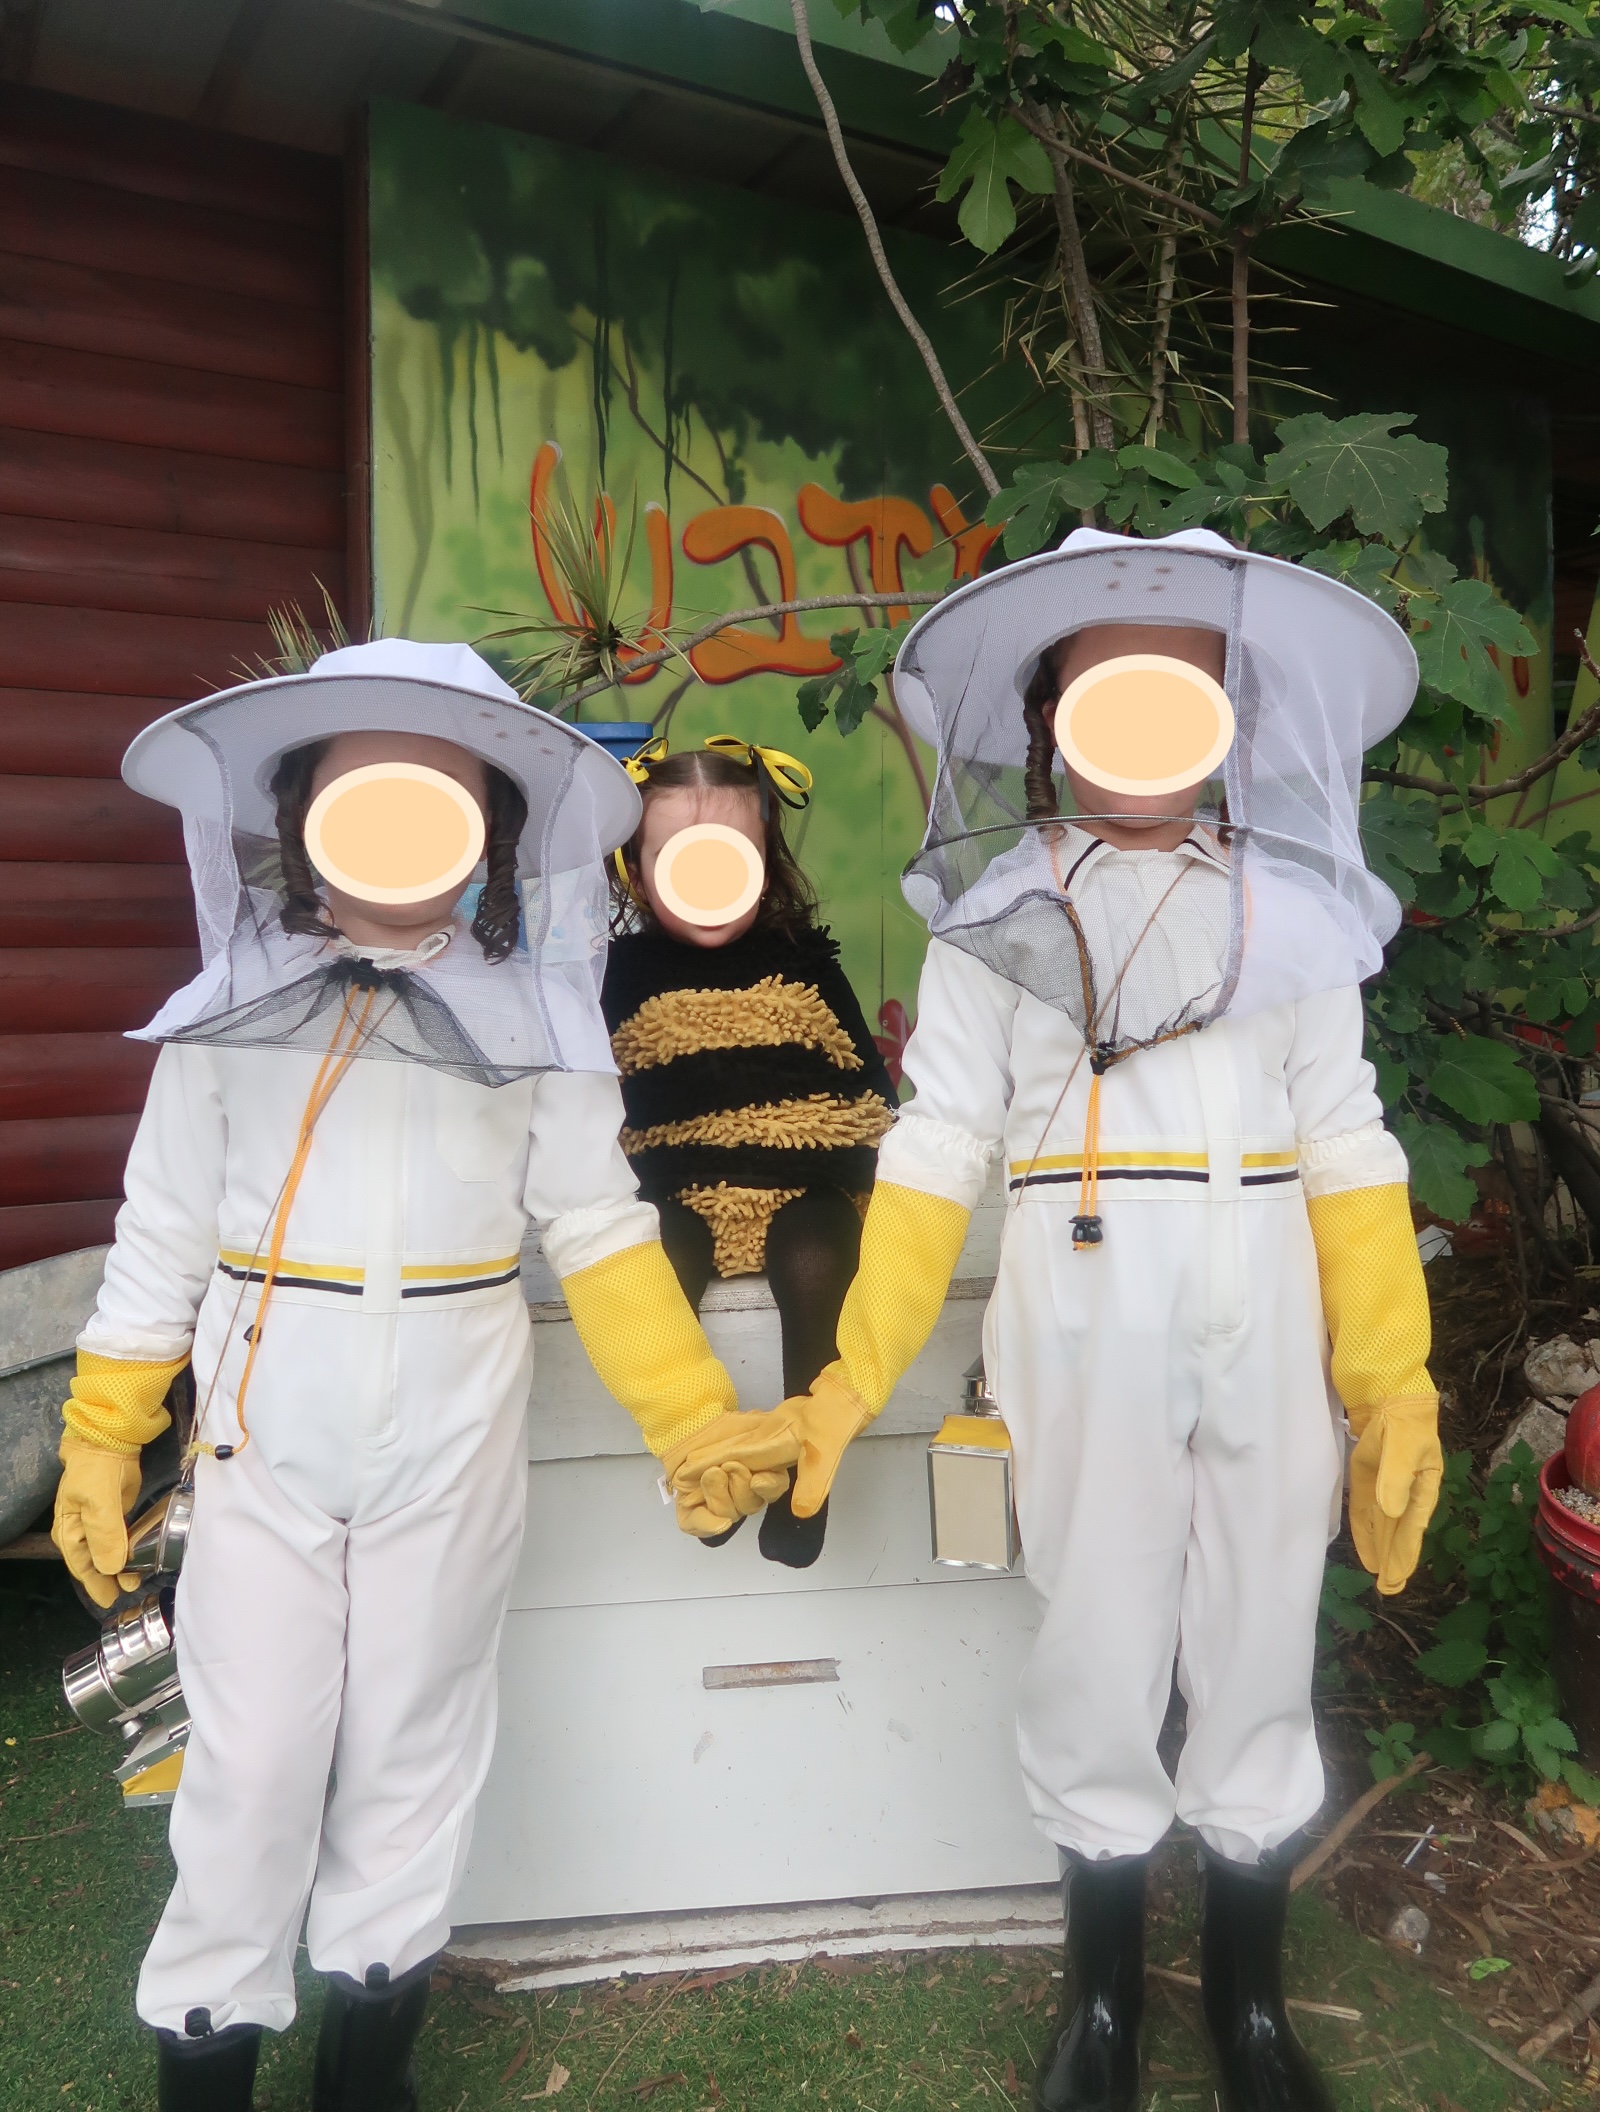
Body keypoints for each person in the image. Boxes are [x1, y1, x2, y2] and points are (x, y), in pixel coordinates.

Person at [667, 530, 1442, 2112]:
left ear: (1229, 714)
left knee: (1260, 1644)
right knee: (1095, 1640)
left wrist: (1393, 1378)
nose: (1146, 724)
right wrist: (848, 1378)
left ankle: (1251, 2008)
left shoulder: (1295, 916)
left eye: (1182, 691)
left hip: (1268, 1292)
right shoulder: (996, 920)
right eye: (1110, 693)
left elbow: (1349, 1142)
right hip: (1082, 1303)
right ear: (1049, 717)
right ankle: (1102, 2007)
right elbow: (938, 1147)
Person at [48, 640, 747, 2112]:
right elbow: (162, 1229)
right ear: (303, 810)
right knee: (252, 1760)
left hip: (456, 1401)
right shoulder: (223, 1013)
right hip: (265, 1414)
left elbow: (597, 1228)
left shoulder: (542, 1020)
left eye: (437, 795)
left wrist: (691, 1416)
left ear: (489, 823)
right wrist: (104, 1432)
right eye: (367, 793)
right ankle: (208, 2048)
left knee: (416, 1742)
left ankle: (368, 2074)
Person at [603, 734, 897, 1566]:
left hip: (806, 1183)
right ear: (635, 870)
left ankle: (809, 1468)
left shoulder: (805, 962)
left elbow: (865, 1090)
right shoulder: (617, 975)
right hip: (679, 1187)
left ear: (764, 861)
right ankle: (704, 1455)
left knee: (820, 1244)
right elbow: (599, 1100)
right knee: (658, 1249)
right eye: (679, 860)